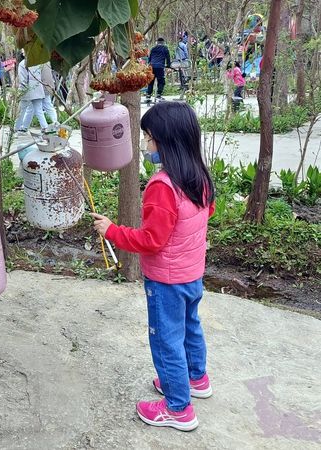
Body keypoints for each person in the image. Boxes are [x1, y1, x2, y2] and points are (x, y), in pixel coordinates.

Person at [90, 101, 215, 432]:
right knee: (190, 328)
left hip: (166, 280)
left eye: (149, 137)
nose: (146, 145)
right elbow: (205, 215)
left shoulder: (162, 186)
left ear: (166, 140)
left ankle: (178, 408)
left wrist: (112, 231)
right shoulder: (199, 176)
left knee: (166, 340)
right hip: (191, 274)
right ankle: (195, 378)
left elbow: (151, 240)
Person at [14, 56, 48, 133]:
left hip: (27, 89)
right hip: (38, 88)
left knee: (21, 110)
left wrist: (20, 92)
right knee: (38, 110)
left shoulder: (23, 64)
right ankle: (45, 127)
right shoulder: (37, 62)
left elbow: (23, 80)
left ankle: (16, 128)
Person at [23, 62, 57, 129]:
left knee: (38, 109)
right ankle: (24, 127)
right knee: (46, 107)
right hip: (48, 86)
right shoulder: (45, 60)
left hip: (40, 88)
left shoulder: (35, 61)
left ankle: (45, 128)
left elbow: (34, 77)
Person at [146, 37, 171, 103]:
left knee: (151, 81)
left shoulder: (153, 48)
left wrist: (149, 64)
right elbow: (168, 57)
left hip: (152, 66)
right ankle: (158, 94)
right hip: (160, 67)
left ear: (157, 42)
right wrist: (168, 66)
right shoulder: (165, 48)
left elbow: (150, 58)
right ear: (163, 42)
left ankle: (148, 95)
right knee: (161, 81)